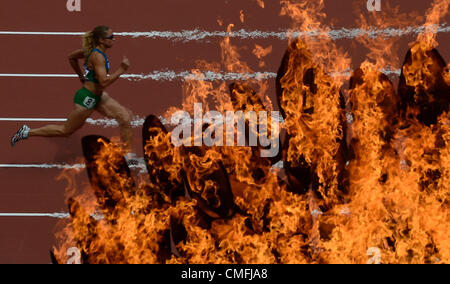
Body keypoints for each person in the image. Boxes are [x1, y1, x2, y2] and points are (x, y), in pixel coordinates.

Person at [10, 26, 137, 162]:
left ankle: (128, 157)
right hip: (86, 98)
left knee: (124, 118)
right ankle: (27, 131)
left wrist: (81, 76)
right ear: (101, 40)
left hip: (98, 97)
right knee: (66, 131)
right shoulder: (97, 57)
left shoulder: (90, 51)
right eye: (111, 37)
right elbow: (104, 82)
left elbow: (71, 57)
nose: (114, 39)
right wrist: (121, 69)